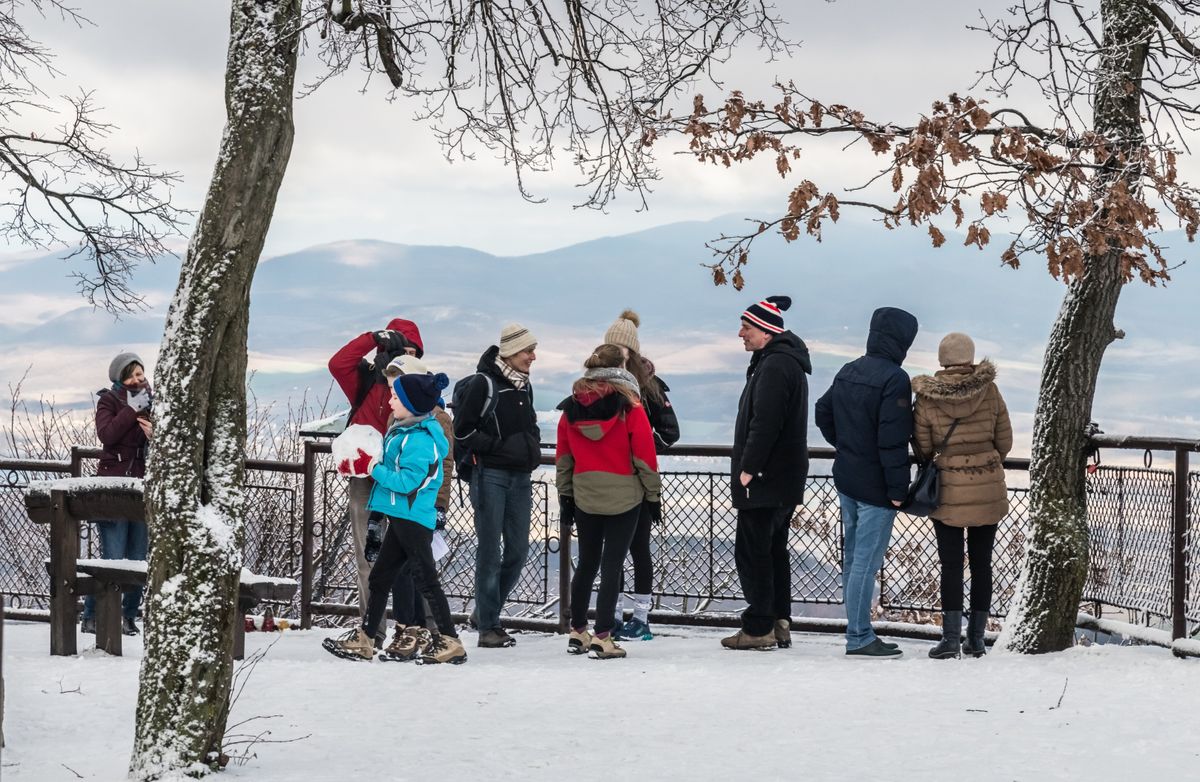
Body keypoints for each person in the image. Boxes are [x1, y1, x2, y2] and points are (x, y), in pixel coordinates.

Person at [322, 370, 467, 665]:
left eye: (396, 397)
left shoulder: (421, 440)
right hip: (400, 515)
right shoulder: (402, 432)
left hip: (413, 518)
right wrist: (361, 465)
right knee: (381, 577)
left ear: (412, 404)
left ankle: (450, 640)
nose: (390, 402)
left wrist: (371, 468)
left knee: (425, 579)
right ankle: (366, 638)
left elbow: (406, 483)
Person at [815, 306, 918, 658]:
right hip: (876, 487)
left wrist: (845, 446)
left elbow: (822, 410)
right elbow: (893, 441)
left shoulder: (849, 370)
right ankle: (859, 636)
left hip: (847, 478)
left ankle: (859, 631)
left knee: (852, 560)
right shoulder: (895, 379)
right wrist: (897, 491)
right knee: (866, 562)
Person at [556, 344, 662, 659]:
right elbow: (645, 458)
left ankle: (577, 631)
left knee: (586, 562)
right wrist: (653, 497)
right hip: (624, 497)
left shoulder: (570, 409)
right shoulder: (631, 408)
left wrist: (566, 496)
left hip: (585, 494)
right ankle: (603, 636)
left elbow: (564, 459)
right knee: (612, 565)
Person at [913, 333, 1013, 659]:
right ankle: (978, 639)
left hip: (948, 492)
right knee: (983, 565)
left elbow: (924, 448)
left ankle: (950, 640)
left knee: (951, 566)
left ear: (942, 359)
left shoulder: (927, 399)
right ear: (970, 358)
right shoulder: (990, 391)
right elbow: (1005, 442)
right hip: (987, 486)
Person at [722, 296, 811, 651]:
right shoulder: (782, 362)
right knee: (774, 550)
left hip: (765, 479)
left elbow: (766, 423)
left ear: (766, 330)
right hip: (782, 478)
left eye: (747, 327)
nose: (740, 333)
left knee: (753, 551)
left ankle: (759, 627)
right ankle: (778, 621)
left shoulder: (774, 366)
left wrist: (748, 469)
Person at [328, 318, 423, 641]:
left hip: (404, 480)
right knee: (367, 555)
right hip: (366, 476)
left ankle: (415, 628)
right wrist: (371, 338)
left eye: (413, 352)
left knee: (412, 555)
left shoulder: (418, 388)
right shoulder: (367, 379)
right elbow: (337, 363)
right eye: (401, 349)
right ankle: (372, 629)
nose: (408, 357)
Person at [453, 323, 541, 648]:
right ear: (510, 351)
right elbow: (462, 432)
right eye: (527, 351)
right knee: (489, 552)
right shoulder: (483, 384)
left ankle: (484, 612)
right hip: (489, 475)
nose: (533, 357)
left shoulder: (524, 387)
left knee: (518, 552)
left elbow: (529, 424)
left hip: (520, 478)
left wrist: (531, 443)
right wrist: (502, 448)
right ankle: (488, 627)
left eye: (533, 351)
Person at [600, 309, 680, 642]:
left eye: (622, 349)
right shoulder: (599, 382)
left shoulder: (649, 386)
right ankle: (614, 615)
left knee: (638, 548)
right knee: (612, 551)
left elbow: (670, 431)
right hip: (608, 479)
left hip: (639, 480)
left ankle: (642, 617)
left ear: (631, 351)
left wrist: (642, 447)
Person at [376, 354, 456, 661]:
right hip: (398, 503)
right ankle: (409, 628)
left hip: (421, 505)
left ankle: (426, 631)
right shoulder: (397, 416)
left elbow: (444, 465)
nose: (392, 393)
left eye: (397, 385)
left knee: (417, 570)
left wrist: (440, 506)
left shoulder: (437, 419)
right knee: (399, 571)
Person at [81, 352, 153, 637]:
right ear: (120, 378)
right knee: (111, 557)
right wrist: (131, 410)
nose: (138, 379)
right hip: (112, 487)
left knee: (137, 558)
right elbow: (107, 435)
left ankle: (128, 616)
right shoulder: (108, 401)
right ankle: (91, 616)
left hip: (142, 487)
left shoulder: (152, 401)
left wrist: (154, 434)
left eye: (140, 373)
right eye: (132, 374)